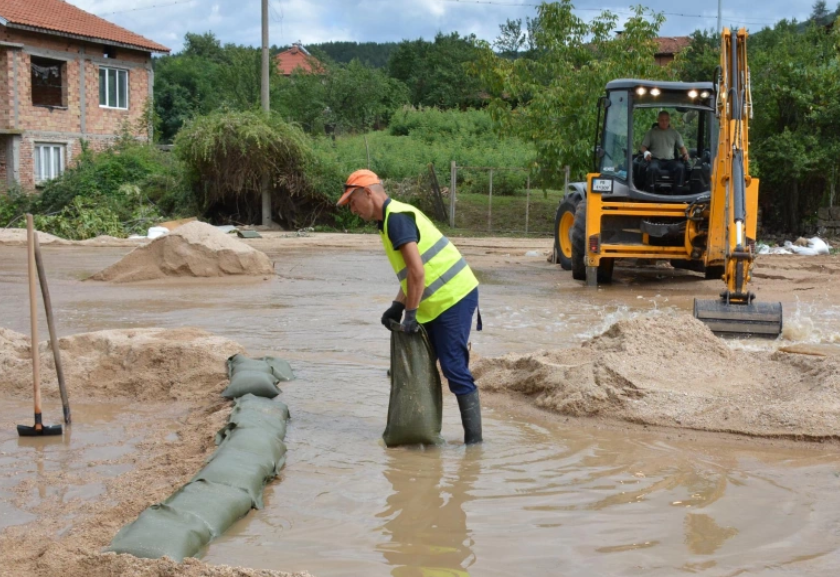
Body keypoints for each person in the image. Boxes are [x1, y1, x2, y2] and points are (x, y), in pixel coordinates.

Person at [337, 169, 483, 444]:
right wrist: (397, 306)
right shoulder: (390, 220)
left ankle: (474, 446)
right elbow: (411, 274)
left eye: (352, 202)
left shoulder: (397, 219)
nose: (352, 210)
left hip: (454, 297)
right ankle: (427, 431)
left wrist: (411, 314)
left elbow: (417, 273)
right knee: (426, 366)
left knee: (453, 367)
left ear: (367, 193)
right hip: (439, 301)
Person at [640, 110, 690, 193]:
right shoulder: (651, 133)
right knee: (652, 168)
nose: (664, 122)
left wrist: (685, 154)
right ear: (658, 120)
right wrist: (646, 153)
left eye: (666, 120)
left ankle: (677, 193)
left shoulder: (674, 133)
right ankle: (650, 193)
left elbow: (682, 147)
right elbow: (643, 147)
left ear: (669, 120)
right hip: (655, 160)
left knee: (680, 167)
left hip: (670, 161)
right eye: (662, 120)